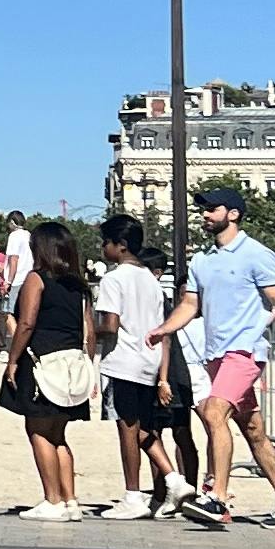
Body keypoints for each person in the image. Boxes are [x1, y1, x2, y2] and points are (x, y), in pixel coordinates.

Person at [154, 184, 275, 531]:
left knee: (212, 411)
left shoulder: (257, 254)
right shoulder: (202, 259)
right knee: (253, 430)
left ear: (233, 214)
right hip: (216, 354)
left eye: (212, 208)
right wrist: (165, 329)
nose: (205, 215)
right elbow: (190, 305)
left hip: (246, 350)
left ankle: (218, 497)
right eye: (204, 209)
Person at [0, 222, 99, 520]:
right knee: (59, 434)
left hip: (42, 359)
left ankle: (52, 499)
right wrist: (89, 367)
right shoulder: (79, 286)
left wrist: (13, 360)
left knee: (38, 430)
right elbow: (90, 332)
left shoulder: (37, 279)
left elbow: (27, 323)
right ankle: (70, 500)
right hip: (71, 362)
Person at [94, 218, 178, 515]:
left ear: (121, 245)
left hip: (123, 362)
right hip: (149, 360)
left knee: (127, 430)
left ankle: (133, 495)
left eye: (105, 242)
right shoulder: (150, 281)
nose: (102, 248)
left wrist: (89, 331)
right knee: (143, 427)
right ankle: (172, 477)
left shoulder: (113, 279)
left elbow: (111, 325)